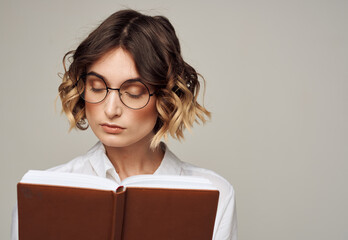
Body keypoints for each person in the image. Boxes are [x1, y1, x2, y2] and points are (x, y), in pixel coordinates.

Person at [11, 9, 237, 240]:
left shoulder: (214, 193)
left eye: (133, 92)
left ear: (166, 97)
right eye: (97, 87)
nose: (111, 109)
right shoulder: (41, 191)